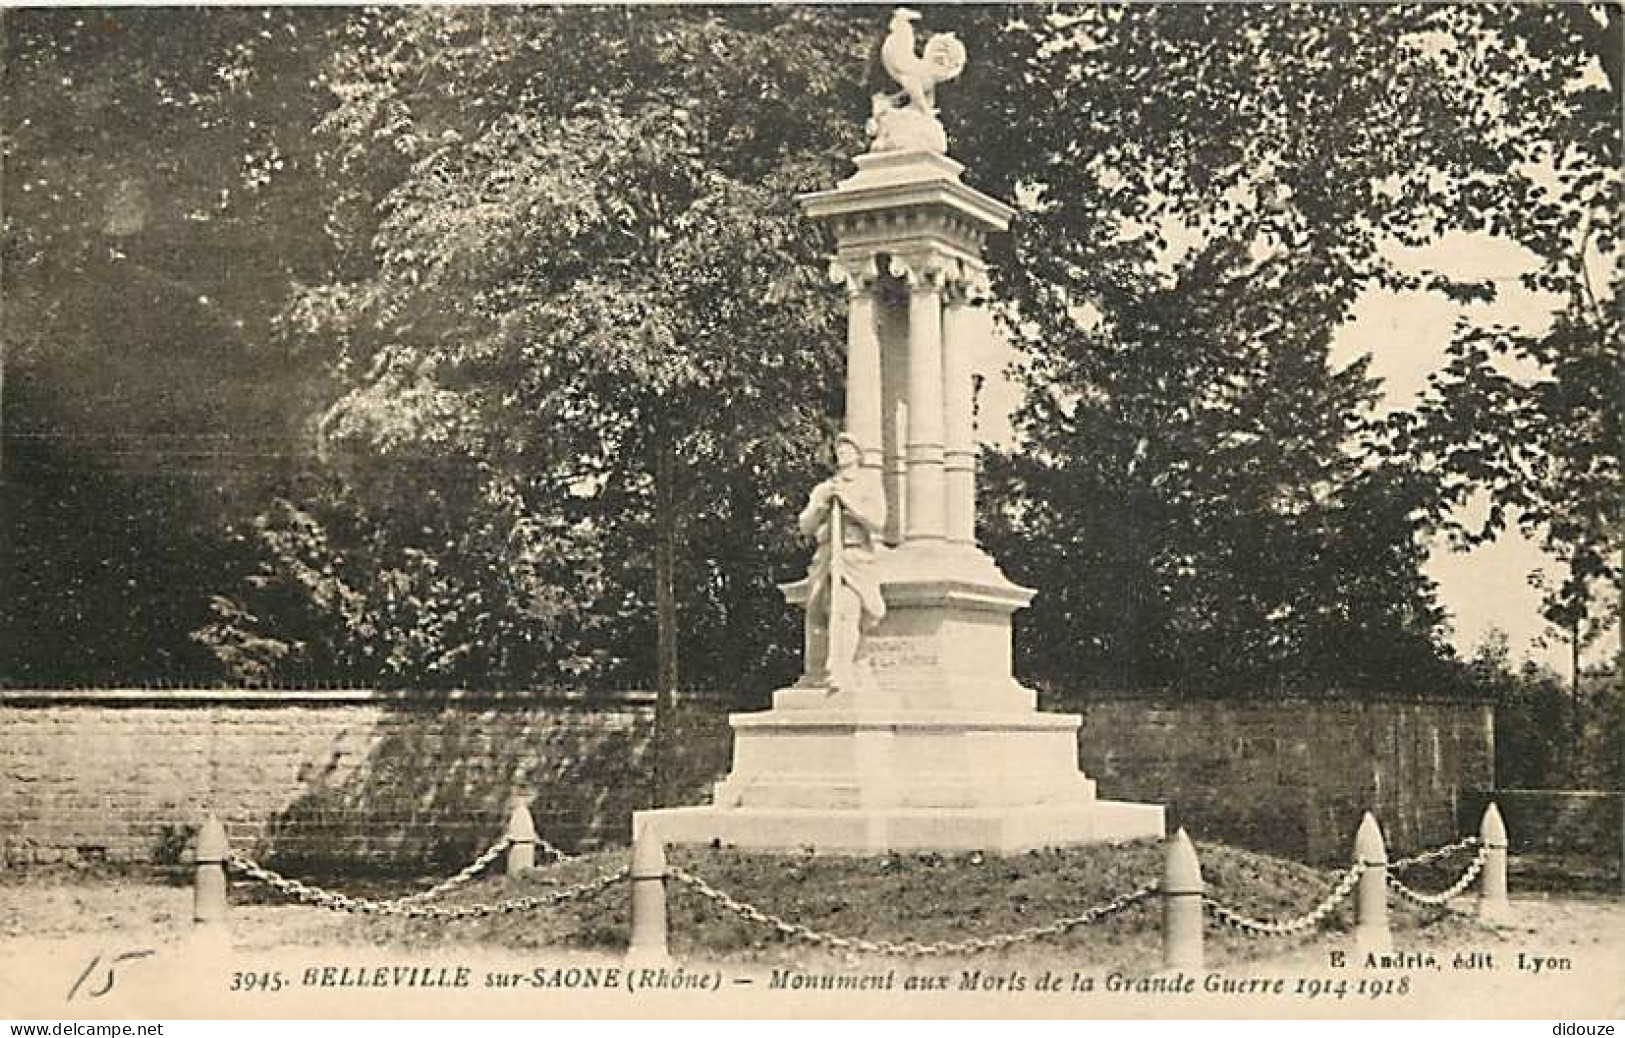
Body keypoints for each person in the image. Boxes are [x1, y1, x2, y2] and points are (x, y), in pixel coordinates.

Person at [798, 433, 887, 691]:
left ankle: (841, 670)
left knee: (846, 611)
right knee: (818, 616)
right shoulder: (825, 488)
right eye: (839, 448)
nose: (843, 453)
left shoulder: (868, 486)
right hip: (826, 556)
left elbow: (878, 522)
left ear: (858, 454)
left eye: (849, 448)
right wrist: (821, 506)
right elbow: (805, 525)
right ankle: (817, 673)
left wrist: (851, 504)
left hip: (854, 556)